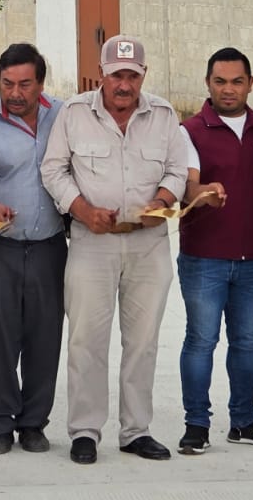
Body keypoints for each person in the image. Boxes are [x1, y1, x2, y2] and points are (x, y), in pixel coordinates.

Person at [41, 35, 188, 467]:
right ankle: (85, 431)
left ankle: (136, 430)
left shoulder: (163, 115)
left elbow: (178, 169)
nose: (124, 85)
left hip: (148, 244)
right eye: (116, 75)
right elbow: (53, 170)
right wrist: (82, 210)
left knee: (143, 342)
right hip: (92, 243)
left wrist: (162, 200)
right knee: (86, 340)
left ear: (144, 75)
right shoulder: (73, 114)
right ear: (101, 74)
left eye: (132, 76)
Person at [174, 47, 253, 456]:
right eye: (220, 81)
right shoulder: (189, 131)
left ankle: (244, 421)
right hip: (203, 258)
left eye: (237, 81)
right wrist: (202, 193)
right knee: (201, 341)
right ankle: (196, 424)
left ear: (251, 83)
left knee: (246, 343)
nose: (229, 89)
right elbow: (188, 184)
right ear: (208, 83)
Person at [0, 43, 65, 455]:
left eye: (25, 84)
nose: (15, 93)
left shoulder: (63, 116)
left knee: (45, 336)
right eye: (7, 83)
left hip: (49, 247)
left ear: (40, 83)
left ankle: (33, 423)